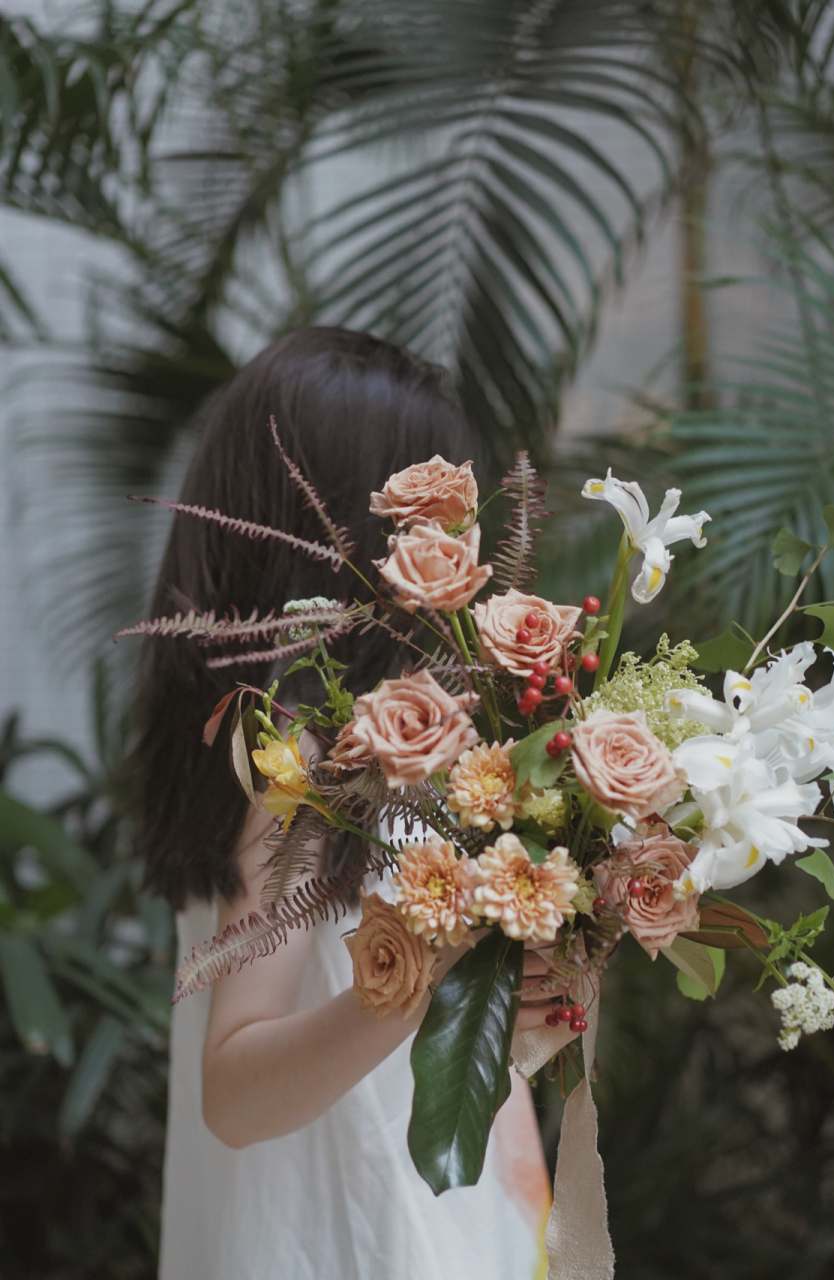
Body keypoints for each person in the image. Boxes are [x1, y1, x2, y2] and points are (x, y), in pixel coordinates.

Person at [134, 328, 560, 1280]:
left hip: (429, 1220)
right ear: (347, 538)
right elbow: (234, 1091)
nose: (461, 542)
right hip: (348, 1236)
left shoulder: (384, 740)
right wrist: (421, 965)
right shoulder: (295, 766)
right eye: (431, 509)